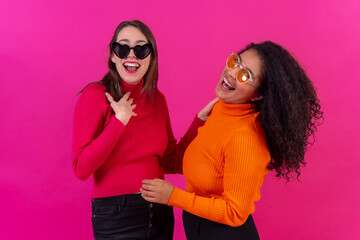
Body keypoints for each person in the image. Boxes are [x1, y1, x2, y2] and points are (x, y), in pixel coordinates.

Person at [141, 41, 323, 240]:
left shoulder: (246, 137)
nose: (231, 73)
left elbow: (235, 213)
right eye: (235, 62)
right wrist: (198, 122)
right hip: (199, 226)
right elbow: (196, 159)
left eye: (245, 75)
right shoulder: (222, 108)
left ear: (257, 96)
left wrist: (174, 197)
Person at [72, 20, 217, 240]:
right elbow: (81, 168)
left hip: (159, 211)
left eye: (141, 49)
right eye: (123, 48)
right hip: (116, 216)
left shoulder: (157, 100)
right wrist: (119, 122)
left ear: (151, 58)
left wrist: (200, 121)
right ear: (113, 55)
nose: (132, 55)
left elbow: (171, 161)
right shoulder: (95, 95)